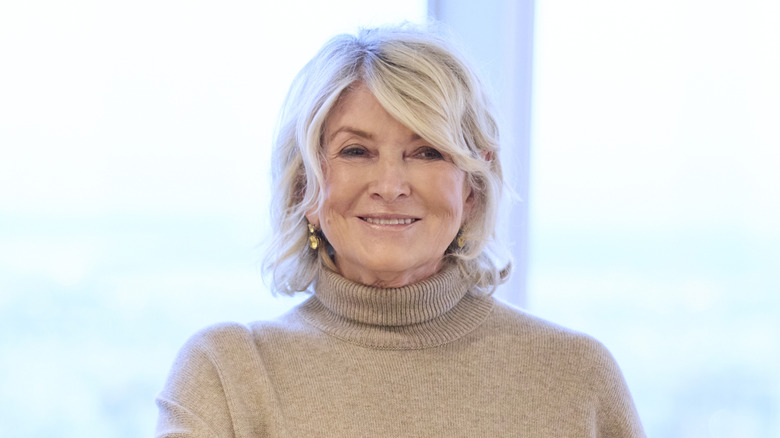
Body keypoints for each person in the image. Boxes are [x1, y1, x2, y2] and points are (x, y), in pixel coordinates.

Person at [155, 25, 646, 437]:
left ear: (471, 189)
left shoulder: (575, 379)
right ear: (305, 186)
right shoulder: (226, 376)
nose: (390, 186)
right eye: (355, 151)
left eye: (428, 151)